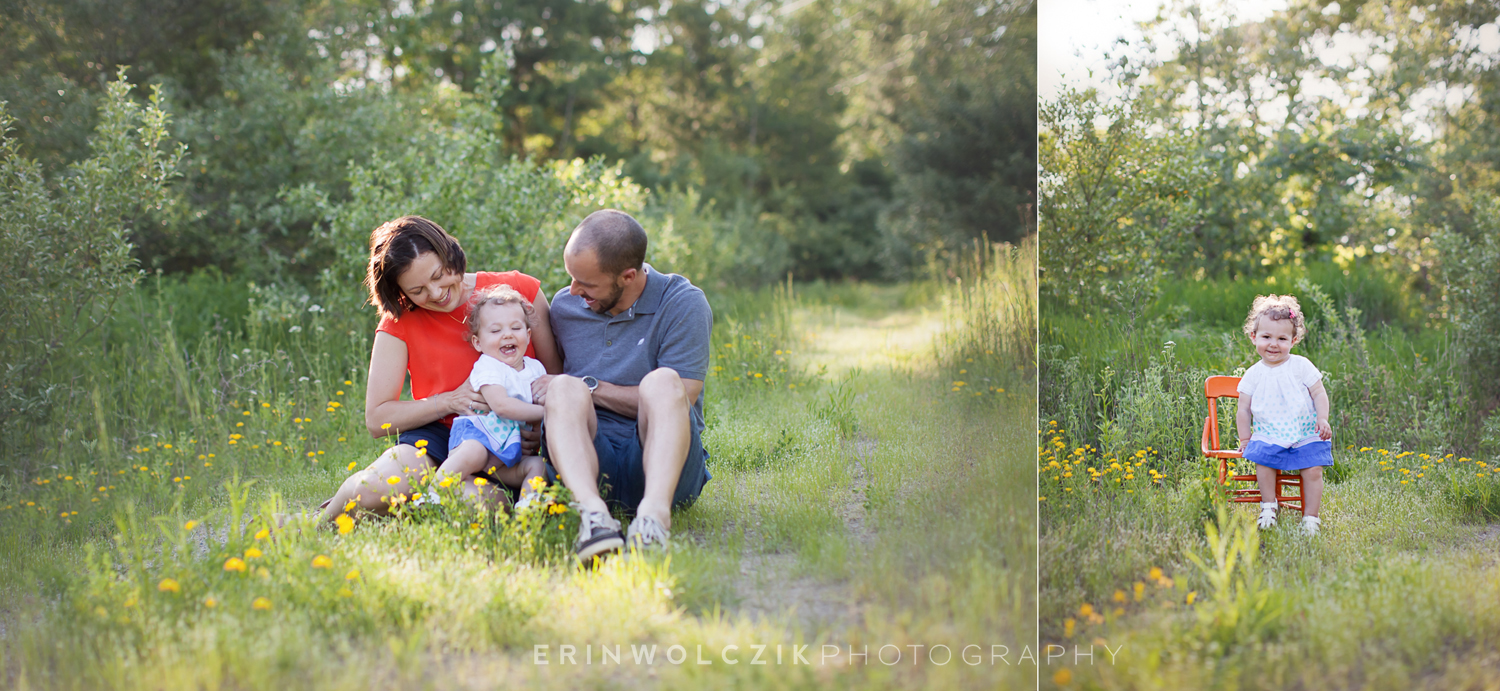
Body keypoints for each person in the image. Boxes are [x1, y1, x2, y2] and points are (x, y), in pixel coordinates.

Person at [317, 216, 560, 523]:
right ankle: (315, 523)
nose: (435, 293)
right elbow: (377, 419)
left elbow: (557, 379)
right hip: (439, 437)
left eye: (438, 275)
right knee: (370, 490)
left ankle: (407, 505)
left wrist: (539, 430)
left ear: (450, 254)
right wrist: (449, 401)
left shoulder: (517, 291)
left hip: (512, 442)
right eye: (417, 289)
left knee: (476, 507)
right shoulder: (400, 321)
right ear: (400, 292)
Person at [531, 209, 712, 559]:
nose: (572, 290)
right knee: (563, 387)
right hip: (588, 463)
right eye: (571, 277)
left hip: (666, 466)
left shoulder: (682, 302)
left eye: (587, 283)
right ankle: (593, 517)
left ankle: (653, 519)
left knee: (662, 382)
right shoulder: (566, 307)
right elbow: (554, 388)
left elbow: (684, 396)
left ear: (628, 276)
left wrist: (591, 385)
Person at [431, 285, 549, 510]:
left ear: (528, 334)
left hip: (509, 451)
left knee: (538, 465)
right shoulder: (488, 366)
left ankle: (528, 506)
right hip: (479, 439)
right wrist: (550, 411)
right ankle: (436, 490)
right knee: (473, 452)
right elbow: (502, 407)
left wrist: (536, 431)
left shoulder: (536, 369)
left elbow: (535, 413)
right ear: (478, 342)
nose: (507, 334)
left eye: (516, 327)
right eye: (495, 331)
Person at [1235, 294, 1333, 535]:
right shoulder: (1254, 374)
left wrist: (1322, 418)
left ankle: (1311, 518)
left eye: (1282, 338)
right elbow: (1243, 409)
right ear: (1253, 337)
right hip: (1269, 432)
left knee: (1313, 470)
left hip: (1304, 431)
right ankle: (1269, 506)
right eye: (1266, 337)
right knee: (1264, 462)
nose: (1273, 344)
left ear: (1294, 339)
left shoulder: (1301, 366)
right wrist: (1246, 438)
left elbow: (1319, 393)